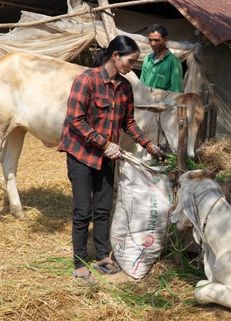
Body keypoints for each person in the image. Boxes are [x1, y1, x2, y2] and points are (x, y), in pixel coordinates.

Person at [58, 35, 166, 283]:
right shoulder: (86, 81)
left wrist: (150, 146)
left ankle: (102, 257)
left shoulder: (125, 87)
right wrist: (105, 144)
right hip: (82, 154)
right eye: (131, 60)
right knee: (83, 211)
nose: (132, 65)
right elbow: (75, 121)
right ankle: (80, 263)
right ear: (115, 56)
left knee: (104, 209)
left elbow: (128, 123)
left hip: (107, 156)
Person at [139, 23, 184, 92]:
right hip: (146, 101)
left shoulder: (173, 61)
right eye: (150, 40)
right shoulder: (147, 59)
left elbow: (176, 92)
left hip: (163, 102)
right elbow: (141, 86)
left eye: (156, 40)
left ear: (165, 39)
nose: (152, 43)